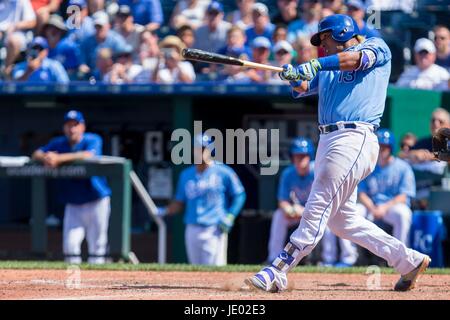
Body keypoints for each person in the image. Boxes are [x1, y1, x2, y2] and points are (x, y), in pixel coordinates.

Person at [245, 14, 430, 293]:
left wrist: (315, 63)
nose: (323, 46)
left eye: (326, 39)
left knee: (317, 203)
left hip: (354, 137)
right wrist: (293, 76)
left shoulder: (376, 46)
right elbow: (304, 87)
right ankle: (408, 261)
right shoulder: (327, 66)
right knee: (343, 221)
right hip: (328, 139)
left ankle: (278, 269)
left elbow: (355, 60)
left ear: (343, 32)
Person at [32, 110, 112, 264]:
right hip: (73, 202)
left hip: (96, 200)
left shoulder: (92, 139)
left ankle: (98, 285)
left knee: (97, 247)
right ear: (64, 128)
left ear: (82, 127)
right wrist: (46, 157)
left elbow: (89, 155)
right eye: (68, 125)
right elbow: (36, 153)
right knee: (70, 246)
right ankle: (74, 284)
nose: (72, 129)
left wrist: (59, 158)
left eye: (75, 125)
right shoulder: (59, 142)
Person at [159, 134, 246, 266]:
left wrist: (230, 215)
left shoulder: (223, 171)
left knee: (215, 269)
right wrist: (164, 211)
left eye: (204, 148)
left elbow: (239, 195)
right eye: (197, 148)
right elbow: (179, 202)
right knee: (196, 269)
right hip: (192, 227)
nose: (201, 152)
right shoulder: (186, 174)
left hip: (214, 227)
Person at [357, 129, 416, 246]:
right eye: (379, 146)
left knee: (403, 214)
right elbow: (361, 193)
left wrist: (384, 208)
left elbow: (404, 197)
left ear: (391, 147)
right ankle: (349, 259)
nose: (382, 149)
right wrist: (373, 208)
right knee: (353, 212)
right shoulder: (369, 167)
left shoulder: (403, 167)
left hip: (391, 208)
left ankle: (400, 256)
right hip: (371, 207)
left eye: (385, 146)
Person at [401, 108, 450, 175]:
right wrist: (414, 154)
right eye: (433, 121)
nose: (436, 124)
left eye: (440, 121)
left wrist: (428, 156)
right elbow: (401, 155)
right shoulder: (423, 142)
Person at [79, 10, 128, 76]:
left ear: (108, 25)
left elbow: (124, 61)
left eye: (101, 26)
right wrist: (83, 66)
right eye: (96, 26)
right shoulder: (86, 42)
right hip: (91, 77)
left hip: (113, 76)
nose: (98, 29)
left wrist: (115, 69)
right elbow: (82, 62)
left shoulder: (116, 40)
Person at [0, 0, 37, 77]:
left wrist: (15, 26)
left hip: (16, 34)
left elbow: (32, 22)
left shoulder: (22, 1)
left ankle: (5, 72)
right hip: (2, 34)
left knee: (13, 41)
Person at [43, 14, 81, 79]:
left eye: (57, 29)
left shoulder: (69, 47)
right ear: (46, 31)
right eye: (50, 27)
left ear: (61, 32)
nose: (53, 31)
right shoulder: (40, 46)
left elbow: (72, 71)